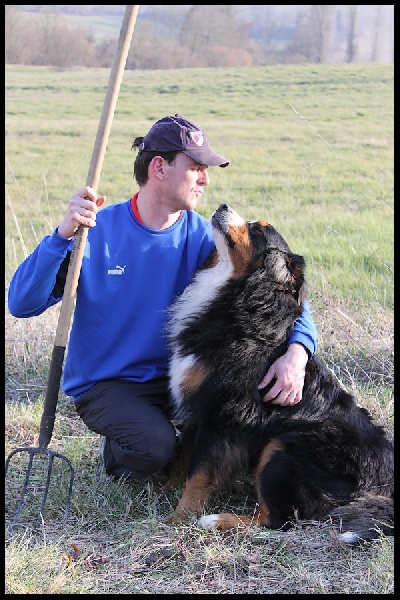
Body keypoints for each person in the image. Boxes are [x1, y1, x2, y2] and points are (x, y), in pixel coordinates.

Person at [8, 114, 318, 482]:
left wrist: (297, 355)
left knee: (244, 409)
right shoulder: (96, 233)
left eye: (207, 169)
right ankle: (127, 449)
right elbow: (22, 303)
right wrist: (62, 235)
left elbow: (281, 298)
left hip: (176, 376)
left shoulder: (205, 237)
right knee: (155, 449)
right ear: (159, 167)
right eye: (196, 168)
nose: (205, 179)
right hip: (110, 383)